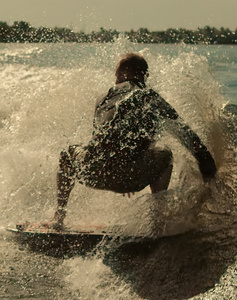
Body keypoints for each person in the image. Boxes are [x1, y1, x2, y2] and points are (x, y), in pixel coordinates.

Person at [51, 52, 217, 230]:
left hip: (95, 173)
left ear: (124, 73)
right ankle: (157, 221)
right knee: (165, 152)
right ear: (144, 75)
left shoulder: (103, 99)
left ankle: (59, 217)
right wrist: (211, 174)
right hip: (132, 177)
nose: (116, 81)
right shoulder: (149, 96)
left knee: (67, 154)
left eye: (116, 75)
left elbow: (101, 140)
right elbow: (188, 137)